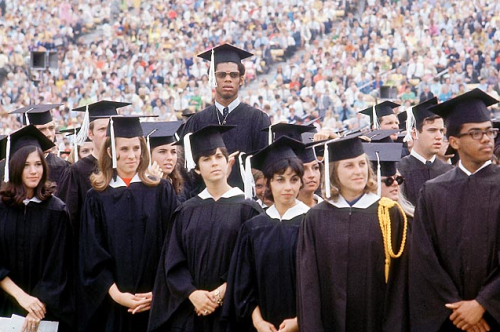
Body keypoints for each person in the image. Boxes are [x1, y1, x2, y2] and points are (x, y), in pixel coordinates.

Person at [148, 125, 262, 332]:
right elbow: (173, 262)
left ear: (228, 162)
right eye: (206, 159)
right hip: (192, 312)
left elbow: (253, 262)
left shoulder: (248, 209)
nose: (214, 163)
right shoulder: (186, 211)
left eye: (219, 157)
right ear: (198, 168)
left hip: (233, 313)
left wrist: (221, 293)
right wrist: (192, 293)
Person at [297, 135, 409, 331]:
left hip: (377, 321)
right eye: (349, 166)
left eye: (362, 164)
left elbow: (400, 280)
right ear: (334, 172)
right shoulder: (316, 217)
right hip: (329, 321)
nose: (359, 171)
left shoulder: (388, 213)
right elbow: (308, 283)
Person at [409, 89, 500, 331]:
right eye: (476, 133)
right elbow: (424, 260)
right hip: (449, 320)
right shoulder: (433, 192)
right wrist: (458, 309)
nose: (487, 139)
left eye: (490, 131)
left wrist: (483, 303)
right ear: (454, 142)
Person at [78, 116, 179, 332]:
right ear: (110, 152)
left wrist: (157, 291)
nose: (132, 155)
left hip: (155, 301)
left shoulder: (161, 190)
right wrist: (116, 294)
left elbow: (172, 245)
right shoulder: (96, 197)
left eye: (136, 148)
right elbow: (92, 253)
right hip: (112, 304)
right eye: (124, 149)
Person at [224, 137, 309, 331]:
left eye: (294, 179)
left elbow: (321, 283)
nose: (288, 187)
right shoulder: (254, 228)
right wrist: (258, 321)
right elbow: (244, 282)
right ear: (269, 183)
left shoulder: (311, 223)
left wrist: (299, 320)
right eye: (280, 180)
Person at [0, 125, 73, 331]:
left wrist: (36, 307)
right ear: (14, 167)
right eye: (26, 165)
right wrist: (22, 297)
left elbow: (59, 265)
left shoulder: (56, 210)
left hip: (45, 311)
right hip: (5, 305)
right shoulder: (2, 209)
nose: (34, 171)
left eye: (38, 164)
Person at [181, 44, 271, 191]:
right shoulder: (196, 121)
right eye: (222, 75)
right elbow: (188, 171)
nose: (228, 79)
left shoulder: (258, 119)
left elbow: (264, 167)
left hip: (246, 204)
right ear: (213, 78)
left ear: (241, 79)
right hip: (206, 202)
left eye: (233, 75)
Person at [57, 101, 130, 234]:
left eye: (111, 128)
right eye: (102, 129)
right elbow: (69, 219)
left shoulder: (127, 166)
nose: (108, 133)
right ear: (90, 134)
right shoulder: (77, 171)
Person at [397, 97, 453, 205]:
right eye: (432, 130)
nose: (439, 136)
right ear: (414, 133)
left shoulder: (449, 171)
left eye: (441, 131)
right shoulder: (400, 171)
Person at [9, 104, 69, 188]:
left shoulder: (63, 167)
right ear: (27, 131)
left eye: (51, 128)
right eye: (42, 129)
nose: (49, 134)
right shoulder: (10, 167)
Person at [142, 121, 184, 196]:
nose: (169, 157)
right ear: (148, 155)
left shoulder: (179, 187)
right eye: (162, 152)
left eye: (173, 152)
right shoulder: (139, 188)